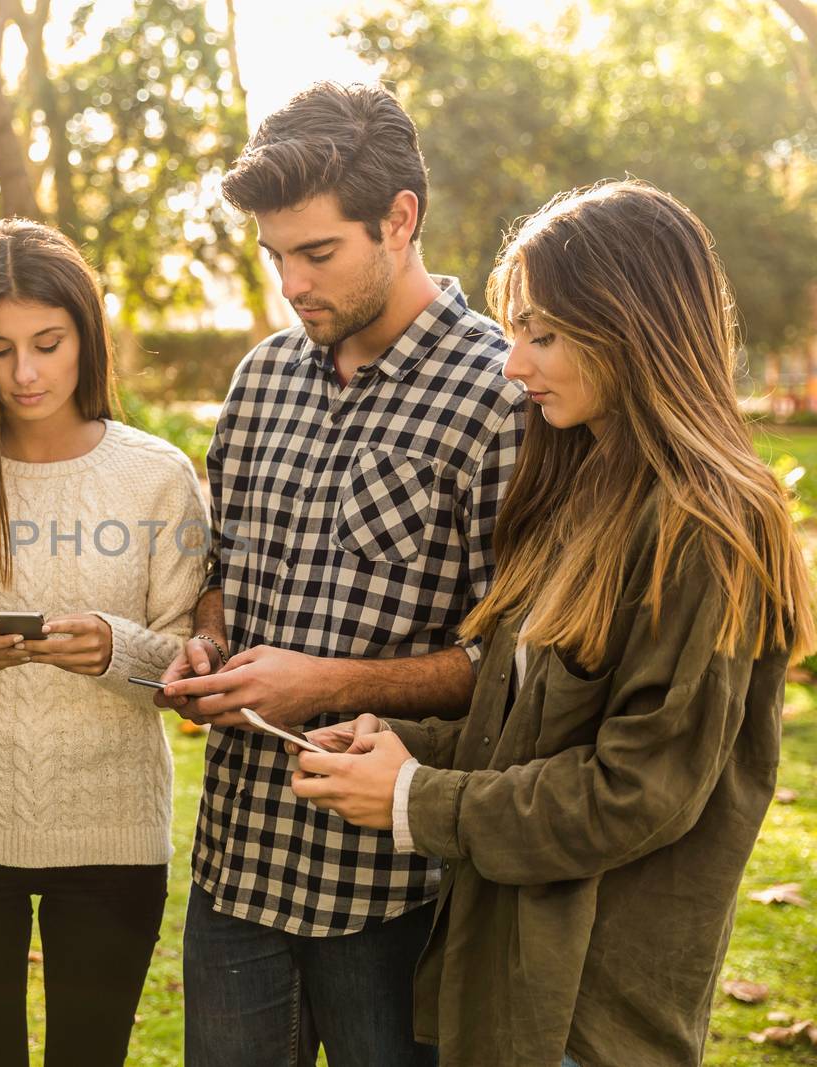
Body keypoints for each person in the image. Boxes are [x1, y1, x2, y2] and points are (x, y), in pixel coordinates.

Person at [290, 180, 813, 1067]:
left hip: (592, 1012)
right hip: (506, 986)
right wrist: (406, 744)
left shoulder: (709, 525)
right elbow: (531, 729)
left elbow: (636, 791)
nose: (513, 364)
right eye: (516, 333)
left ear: (632, 327)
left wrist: (418, 800)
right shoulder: (581, 487)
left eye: (545, 335)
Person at [153, 82, 525, 1066]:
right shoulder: (260, 377)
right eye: (276, 256)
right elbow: (221, 571)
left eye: (316, 253)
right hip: (236, 866)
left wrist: (324, 683)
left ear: (399, 219)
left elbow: (514, 665)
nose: (291, 282)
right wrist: (210, 641)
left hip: (395, 884)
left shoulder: (503, 398)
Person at [0, 218, 206, 1066]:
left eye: (48, 344)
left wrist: (114, 651)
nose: (25, 373)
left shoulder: (157, 475)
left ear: (85, 338)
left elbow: (188, 666)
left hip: (113, 832)